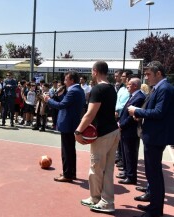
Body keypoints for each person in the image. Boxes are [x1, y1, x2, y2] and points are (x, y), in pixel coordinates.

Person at [128, 61, 174, 217]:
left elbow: (159, 112)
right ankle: (153, 205)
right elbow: (153, 110)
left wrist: (137, 111)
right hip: (152, 136)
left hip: (156, 137)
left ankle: (155, 210)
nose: (146, 78)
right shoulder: (159, 88)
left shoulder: (165, 88)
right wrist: (139, 114)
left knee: (154, 174)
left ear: (158, 73)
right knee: (151, 173)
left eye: (148, 74)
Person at [75, 61, 120, 213]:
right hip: (113, 131)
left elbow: (90, 114)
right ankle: (101, 199)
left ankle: (102, 200)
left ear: (94, 71)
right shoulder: (112, 88)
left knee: (96, 168)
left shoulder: (98, 89)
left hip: (103, 134)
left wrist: (78, 131)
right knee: (107, 169)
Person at [45, 71, 85, 182]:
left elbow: (62, 105)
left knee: (66, 151)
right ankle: (71, 173)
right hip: (71, 123)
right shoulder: (78, 90)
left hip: (68, 124)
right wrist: (60, 95)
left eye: (66, 79)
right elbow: (68, 103)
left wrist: (49, 100)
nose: (64, 81)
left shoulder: (73, 91)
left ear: (72, 80)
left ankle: (67, 175)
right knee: (70, 150)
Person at [117, 78, 145, 185]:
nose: (127, 86)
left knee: (130, 154)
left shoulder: (139, 97)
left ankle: (131, 176)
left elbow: (133, 116)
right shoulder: (133, 96)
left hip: (131, 130)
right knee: (125, 153)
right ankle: (126, 172)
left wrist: (122, 125)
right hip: (125, 129)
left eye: (129, 84)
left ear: (135, 86)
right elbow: (125, 112)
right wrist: (120, 122)